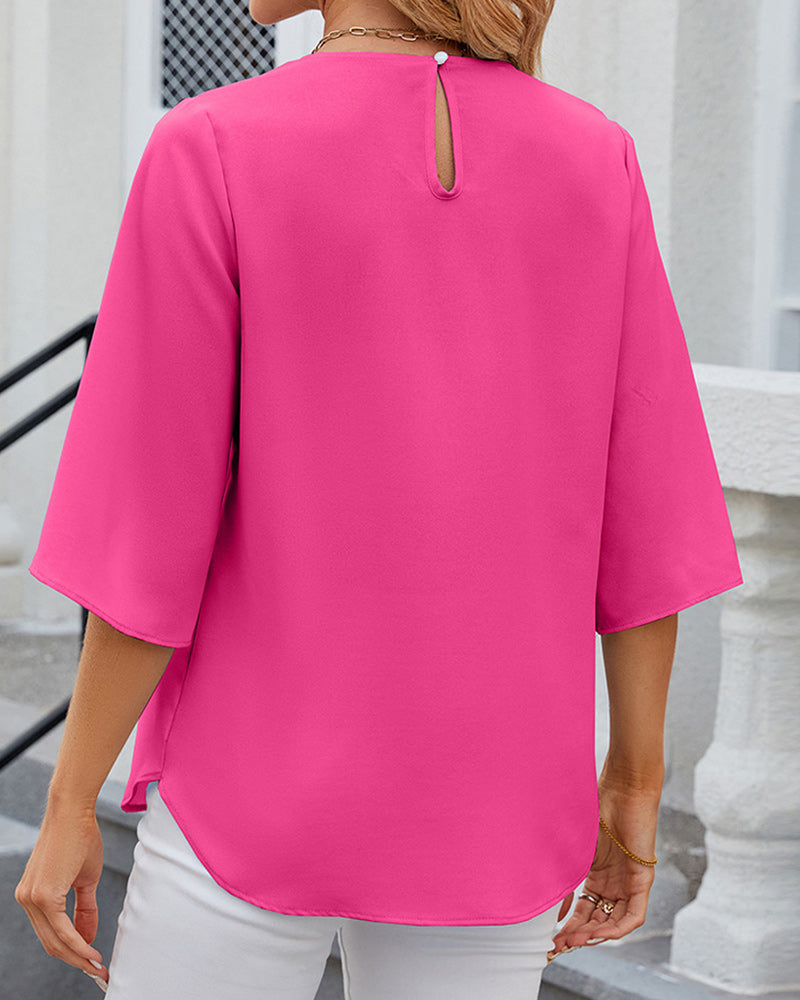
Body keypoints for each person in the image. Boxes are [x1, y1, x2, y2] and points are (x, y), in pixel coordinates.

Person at [14, 0, 744, 995]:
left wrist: (70, 798)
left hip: (251, 790)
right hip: (500, 802)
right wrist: (632, 785)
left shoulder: (211, 143)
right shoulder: (595, 156)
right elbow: (648, 516)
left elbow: (147, 529)